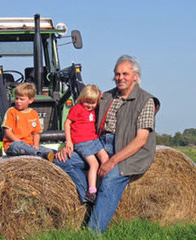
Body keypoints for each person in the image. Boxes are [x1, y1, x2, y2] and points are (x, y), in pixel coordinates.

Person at [54, 55, 160, 233]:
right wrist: (69, 144)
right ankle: (90, 193)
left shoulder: (146, 101)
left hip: (128, 151)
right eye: (117, 74)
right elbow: (81, 119)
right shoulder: (107, 97)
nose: (120, 77)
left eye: (125, 73)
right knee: (62, 161)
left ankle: (93, 233)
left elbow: (141, 140)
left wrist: (112, 162)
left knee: (110, 179)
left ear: (135, 76)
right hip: (98, 144)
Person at [64, 84, 109, 203]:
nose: (90, 105)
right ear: (82, 98)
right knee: (94, 164)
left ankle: (103, 185)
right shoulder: (77, 109)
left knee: (105, 158)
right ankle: (91, 191)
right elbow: (67, 123)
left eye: (93, 103)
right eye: (87, 102)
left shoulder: (94, 109)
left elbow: (101, 98)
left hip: (94, 140)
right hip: (82, 142)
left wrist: (101, 96)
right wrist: (69, 141)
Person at [2, 82, 54, 162]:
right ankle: (39, 155)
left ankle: (45, 154)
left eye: (21, 99)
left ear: (31, 100)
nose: (18, 101)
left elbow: (36, 133)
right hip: (13, 144)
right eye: (16, 98)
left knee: (48, 150)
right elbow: (8, 132)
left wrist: (36, 145)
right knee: (19, 146)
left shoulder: (33, 113)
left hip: (30, 145)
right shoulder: (11, 111)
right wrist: (19, 142)